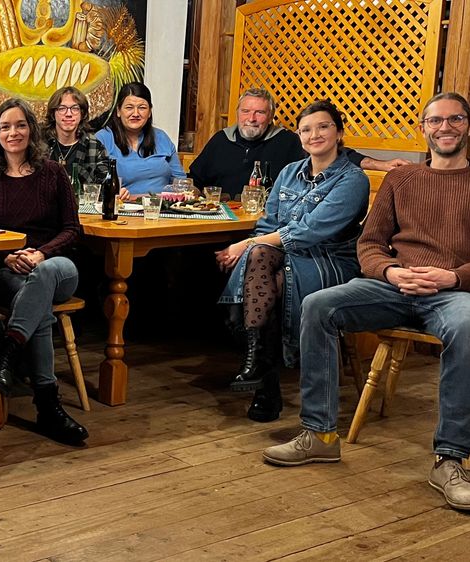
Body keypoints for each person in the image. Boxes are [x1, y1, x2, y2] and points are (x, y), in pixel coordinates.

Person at [262, 92, 470, 513]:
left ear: (468, 127)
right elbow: (370, 243)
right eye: (436, 121)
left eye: (455, 120)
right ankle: (320, 436)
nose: (445, 128)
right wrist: (388, 271)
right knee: (318, 305)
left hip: (455, 291)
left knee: (469, 325)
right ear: (424, 129)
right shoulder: (402, 180)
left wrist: (455, 276)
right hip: (393, 286)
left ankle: (450, 461)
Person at [215, 100, 370, 422]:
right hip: (280, 255)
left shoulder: (353, 179)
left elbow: (310, 232)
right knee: (262, 262)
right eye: (306, 129)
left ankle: (264, 382)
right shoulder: (289, 173)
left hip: (328, 260)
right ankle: (263, 376)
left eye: (323, 127)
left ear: (339, 133)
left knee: (268, 274)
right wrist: (253, 243)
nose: (314, 135)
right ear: (299, 136)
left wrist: (244, 243)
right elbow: (269, 225)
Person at [0, 99, 88, 445]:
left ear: (31, 130)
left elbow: (72, 229)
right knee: (36, 308)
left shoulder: (53, 172)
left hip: (56, 267)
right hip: (8, 271)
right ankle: (48, 407)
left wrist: (41, 253)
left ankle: (6, 352)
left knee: (44, 276)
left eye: (20, 125)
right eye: (5, 127)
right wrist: (7, 257)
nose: (13, 133)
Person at [189, 88, 410, 198]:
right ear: (237, 113)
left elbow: (334, 152)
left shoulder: (287, 140)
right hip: (216, 220)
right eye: (246, 111)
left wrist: (380, 165)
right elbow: (194, 179)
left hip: (260, 224)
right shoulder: (221, 139)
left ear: (271, 116)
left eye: (259, 112)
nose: (251, 118)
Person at [94, 82, 186, 197]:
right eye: (129, 108)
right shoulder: (103, 138)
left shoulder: (161, 137)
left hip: (163, 208)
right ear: (118, 111)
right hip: (124, 209)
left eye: (142, 108)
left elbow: (181, 182)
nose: (136, 113)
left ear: (149, 112)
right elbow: (96, 185)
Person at [44, 86, 116, 190]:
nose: (68, 114)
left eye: (75, 108)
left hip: (82, 205)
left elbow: (105, 188)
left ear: (82, 114)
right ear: (53, 114)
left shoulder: (94, 146)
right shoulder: (40, 145)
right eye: (62, 108)